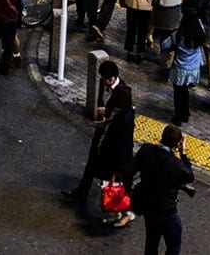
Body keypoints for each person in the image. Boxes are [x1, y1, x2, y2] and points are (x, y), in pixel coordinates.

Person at [66, 64, 135, 211]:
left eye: (106, 80)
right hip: (101, 134)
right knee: (91, 163)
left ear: (112, 78)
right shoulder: (105, 85)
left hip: (111, 141)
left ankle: (115, 203)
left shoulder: (123, 93)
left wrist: (107, 117)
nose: (103, 82)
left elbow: (120, 118)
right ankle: (83, 191)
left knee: (107, 171)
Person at [128, 123, 195, 255]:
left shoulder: (146, 150)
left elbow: (130, 171)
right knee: (173, 245)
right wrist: (183, 153)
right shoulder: (175, 164)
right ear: (177, 144)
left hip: (148, 206)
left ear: (162, 136)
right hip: (167, 210)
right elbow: (189, 175)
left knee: (151, 243)